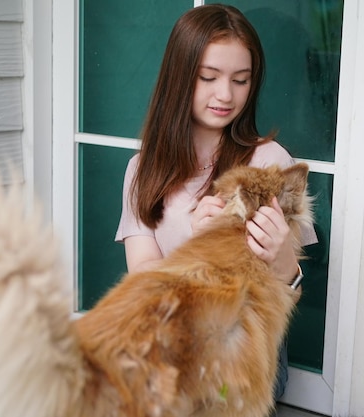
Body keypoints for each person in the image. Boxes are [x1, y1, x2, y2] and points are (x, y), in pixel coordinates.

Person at [115, 4, 318, 400]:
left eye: (241, 81)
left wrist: (281, 261)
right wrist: (200, 248)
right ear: (179, 77)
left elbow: (287, 295)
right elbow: (142, 280)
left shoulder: (270, 163)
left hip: (242, 360)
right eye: (208, 77)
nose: (225, 95)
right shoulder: (143, 170)